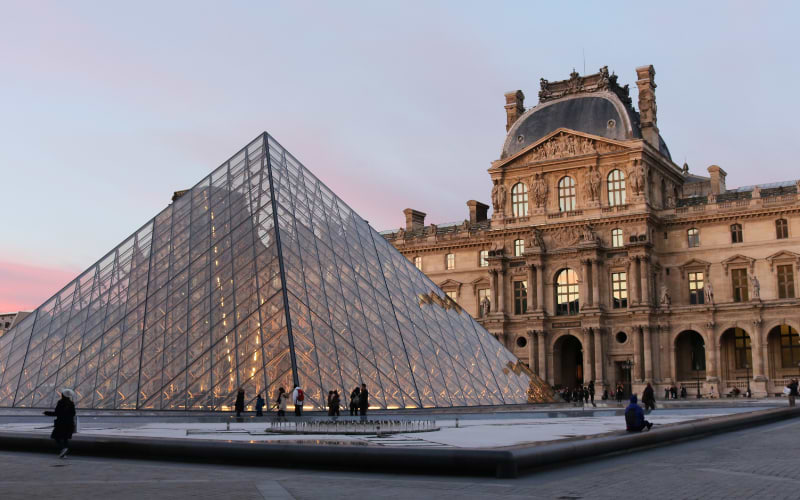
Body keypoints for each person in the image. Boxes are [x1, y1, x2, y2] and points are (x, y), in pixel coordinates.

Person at [43, 389, 76, 459]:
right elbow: (73, 413)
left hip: (61, 424)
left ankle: (63, 449)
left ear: (63, 395)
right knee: (65, 438)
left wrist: (47, 413)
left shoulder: (61, 402)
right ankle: (64, 453)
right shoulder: (71, 403)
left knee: (55, 437)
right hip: (69, 424)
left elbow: (57, 413)